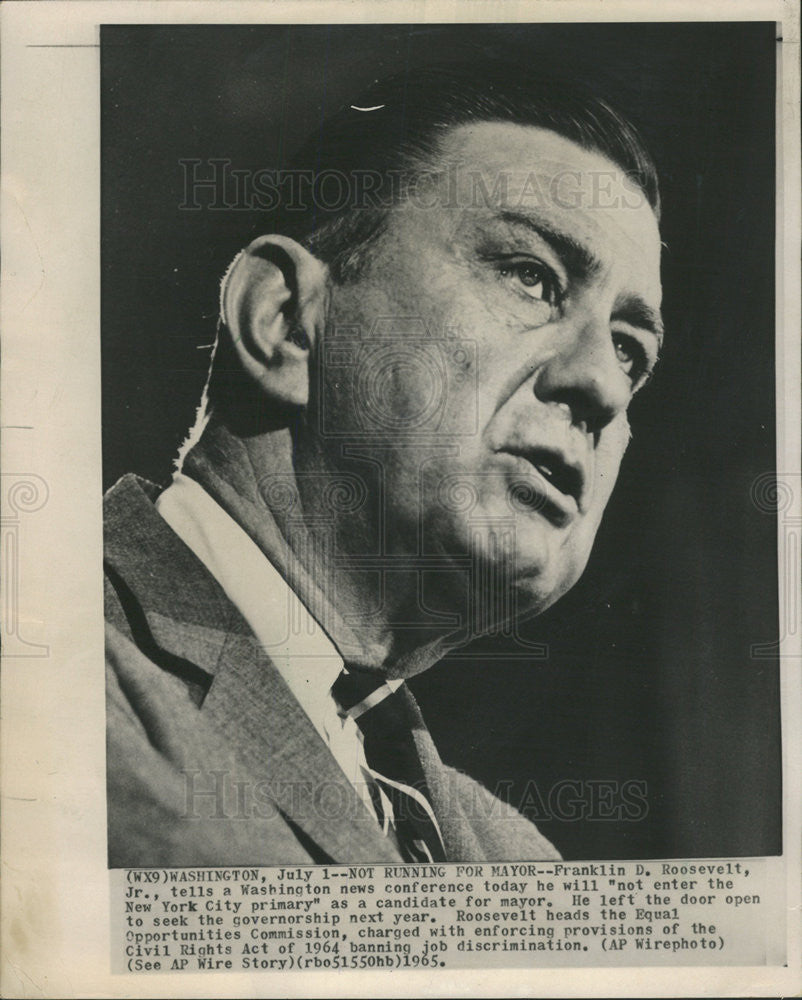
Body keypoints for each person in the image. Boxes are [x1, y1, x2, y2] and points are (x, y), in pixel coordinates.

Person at [104, 62, 663, 865]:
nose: (603, 385)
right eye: (532, 276)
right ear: (287, 323)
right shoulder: (60, 681)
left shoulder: (524, 864)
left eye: (630, 349)